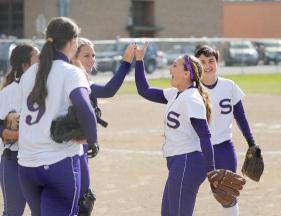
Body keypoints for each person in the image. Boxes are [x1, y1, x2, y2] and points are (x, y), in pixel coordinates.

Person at [16, 17, 98, 216]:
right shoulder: (71, 72)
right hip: (58, 163)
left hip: (26, 166)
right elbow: (85, 109)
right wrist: (91, 139)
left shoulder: (29, 74)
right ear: (72, 43)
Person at [135, 42, 215, 216]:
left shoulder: (191, 98)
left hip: (188, 162)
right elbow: (144, 90)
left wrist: (212, 171)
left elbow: (205, 136)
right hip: (179, 163)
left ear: (187, 74)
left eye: (175, 65)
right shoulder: (176, 93)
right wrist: (139, 60)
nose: (170, 68)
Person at [72, 37, 135, 215]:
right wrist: (125, 63)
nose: (92, 59)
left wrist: (91, 140)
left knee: (83, 200)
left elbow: (107, 91)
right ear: (73, 56)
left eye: (93, 55)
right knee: (80, 201)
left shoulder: (82, 81)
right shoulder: (73, 82)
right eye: (86, 55)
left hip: (81, 147)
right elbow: (109, 90)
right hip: (71, 150)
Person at [195, 45, 257, 216]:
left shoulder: (229, 86)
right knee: (188, 191)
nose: (207, 66)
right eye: (202, 62)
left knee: (228, 194)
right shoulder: (192, 89)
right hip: (197, 150)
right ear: (197, 64)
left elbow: (240, 116)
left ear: (217, 62)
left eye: (211, 61)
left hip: (224, 149)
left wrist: (251, 142)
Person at [0, 43, 39, 216]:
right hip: (14, 158)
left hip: (41, 157)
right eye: (37, 58)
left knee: (43, 211)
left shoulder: (45, 90)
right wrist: (7, 133)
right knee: (13, 212)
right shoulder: (8, 92)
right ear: (25, 66)